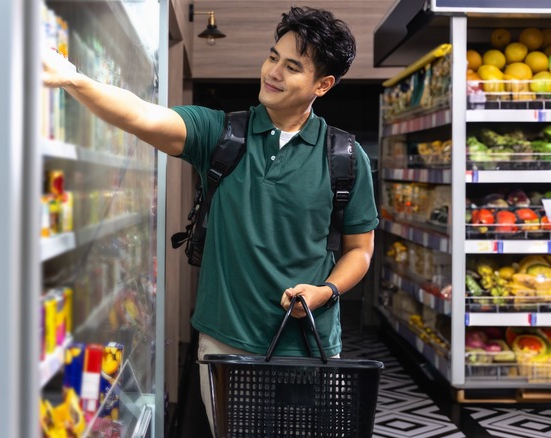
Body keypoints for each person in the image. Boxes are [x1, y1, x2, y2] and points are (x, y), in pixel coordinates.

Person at [43, 5, 378, 435]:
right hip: (224, 342)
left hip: (307, 344)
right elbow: (143, 114)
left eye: (292, 67)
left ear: (323, 84)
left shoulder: (346, 158)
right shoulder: (221, 134)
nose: (272, 71)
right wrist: (75, 79)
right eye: (273, 56)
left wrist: (324, 290)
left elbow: (360, 249)